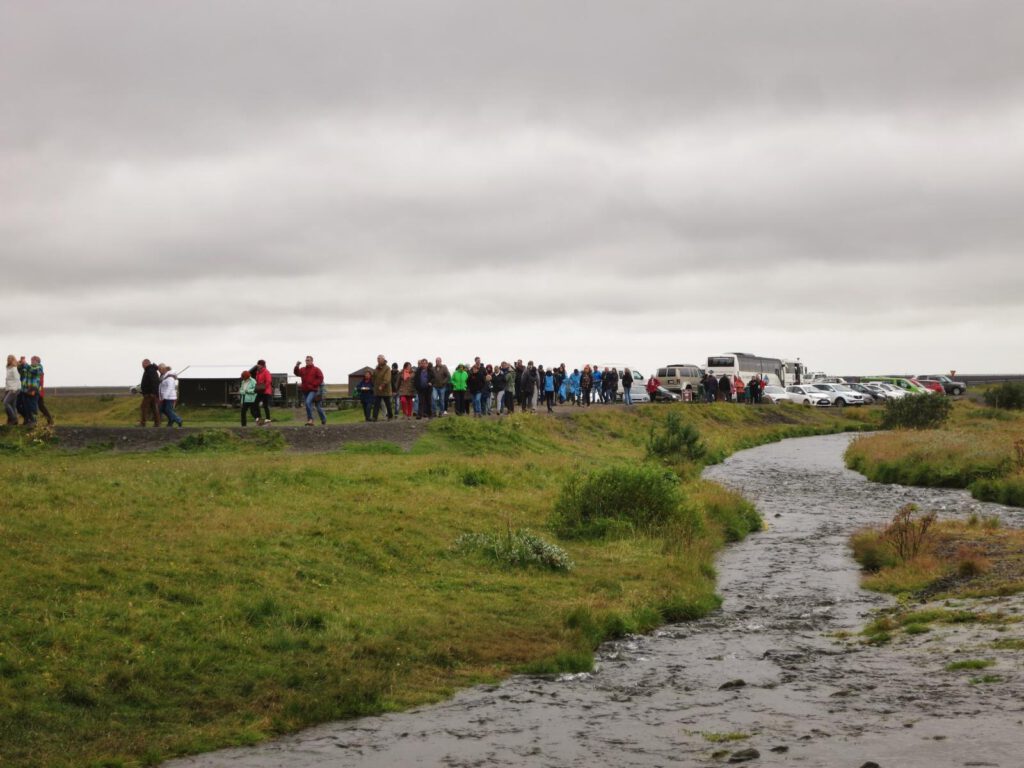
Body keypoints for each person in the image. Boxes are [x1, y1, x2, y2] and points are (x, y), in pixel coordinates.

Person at [294, 355, 326, 426]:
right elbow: (297, 373)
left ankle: (310, 420)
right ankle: (320, 419)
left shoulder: (316, 369)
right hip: (305, 390)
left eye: (308, 360)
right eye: (306, 360)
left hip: (313, 390)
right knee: (309, 406)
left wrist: (314, 384)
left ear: (312, 361)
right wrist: (297, 366)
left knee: (309, 403)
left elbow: (321, 378)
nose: (307, 361)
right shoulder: (302, 369)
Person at [17, 356, 44, 426]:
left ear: (38, 361)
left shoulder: (39, 367)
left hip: (33, 389)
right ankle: (28, 420)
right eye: (31, 360)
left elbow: (33, 371)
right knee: (26, 406)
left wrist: (25, 364)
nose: (32, 361)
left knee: (32, 406)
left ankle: (33, 421)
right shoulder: (28, 367)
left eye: (34, 360)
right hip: (25, 389)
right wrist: (20, 365)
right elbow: (21, 372)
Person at [139, 358, 161, 427]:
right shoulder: (150, 370)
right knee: (154, 408)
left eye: (143, 364)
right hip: (150, 394)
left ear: (146, 363)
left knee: (144, 407)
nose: (142, 366)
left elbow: (155, 382)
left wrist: (152, 393)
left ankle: (143, 423)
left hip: (149, 394)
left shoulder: (150, 370)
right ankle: (157, 423)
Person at [372, 355, 394, 421]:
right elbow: (374, 378)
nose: (378, 360)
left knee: (388, 404)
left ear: (383, 360)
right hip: (378, 390)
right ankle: (374, 417)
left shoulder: (387, 368)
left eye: (379, 359)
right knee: (376, 404)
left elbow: (387, 379)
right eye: (377, 359)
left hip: (385, 389)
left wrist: (382, 385)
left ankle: (390, 416)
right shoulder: (376, 368)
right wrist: (374, 385)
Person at [254, 360, 273, 425]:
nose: (257, 365)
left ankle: (268, 419)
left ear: (261, 365)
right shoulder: (258, 372)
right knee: (255, 403)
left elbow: (268, 381)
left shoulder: (266, 372)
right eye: (257, 364)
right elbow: (257, 381)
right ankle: (259, 417)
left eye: (258, 364)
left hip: (265, 391)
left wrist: (263, 387)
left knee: (265, 405)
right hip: (260, 390)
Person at [4, 355, 21, 425]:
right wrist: (7, 389)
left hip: (14, 389)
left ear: (13, 360)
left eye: (10, 358)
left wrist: (14, 389)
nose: (8, 359)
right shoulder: (8, 368)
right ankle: (15, 421)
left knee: (6, 402)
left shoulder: (14, 369)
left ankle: (13, 418)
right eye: (8, 358)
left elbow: (17, 379)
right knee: (13, 405)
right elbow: (8, 380)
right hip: (10, 388)